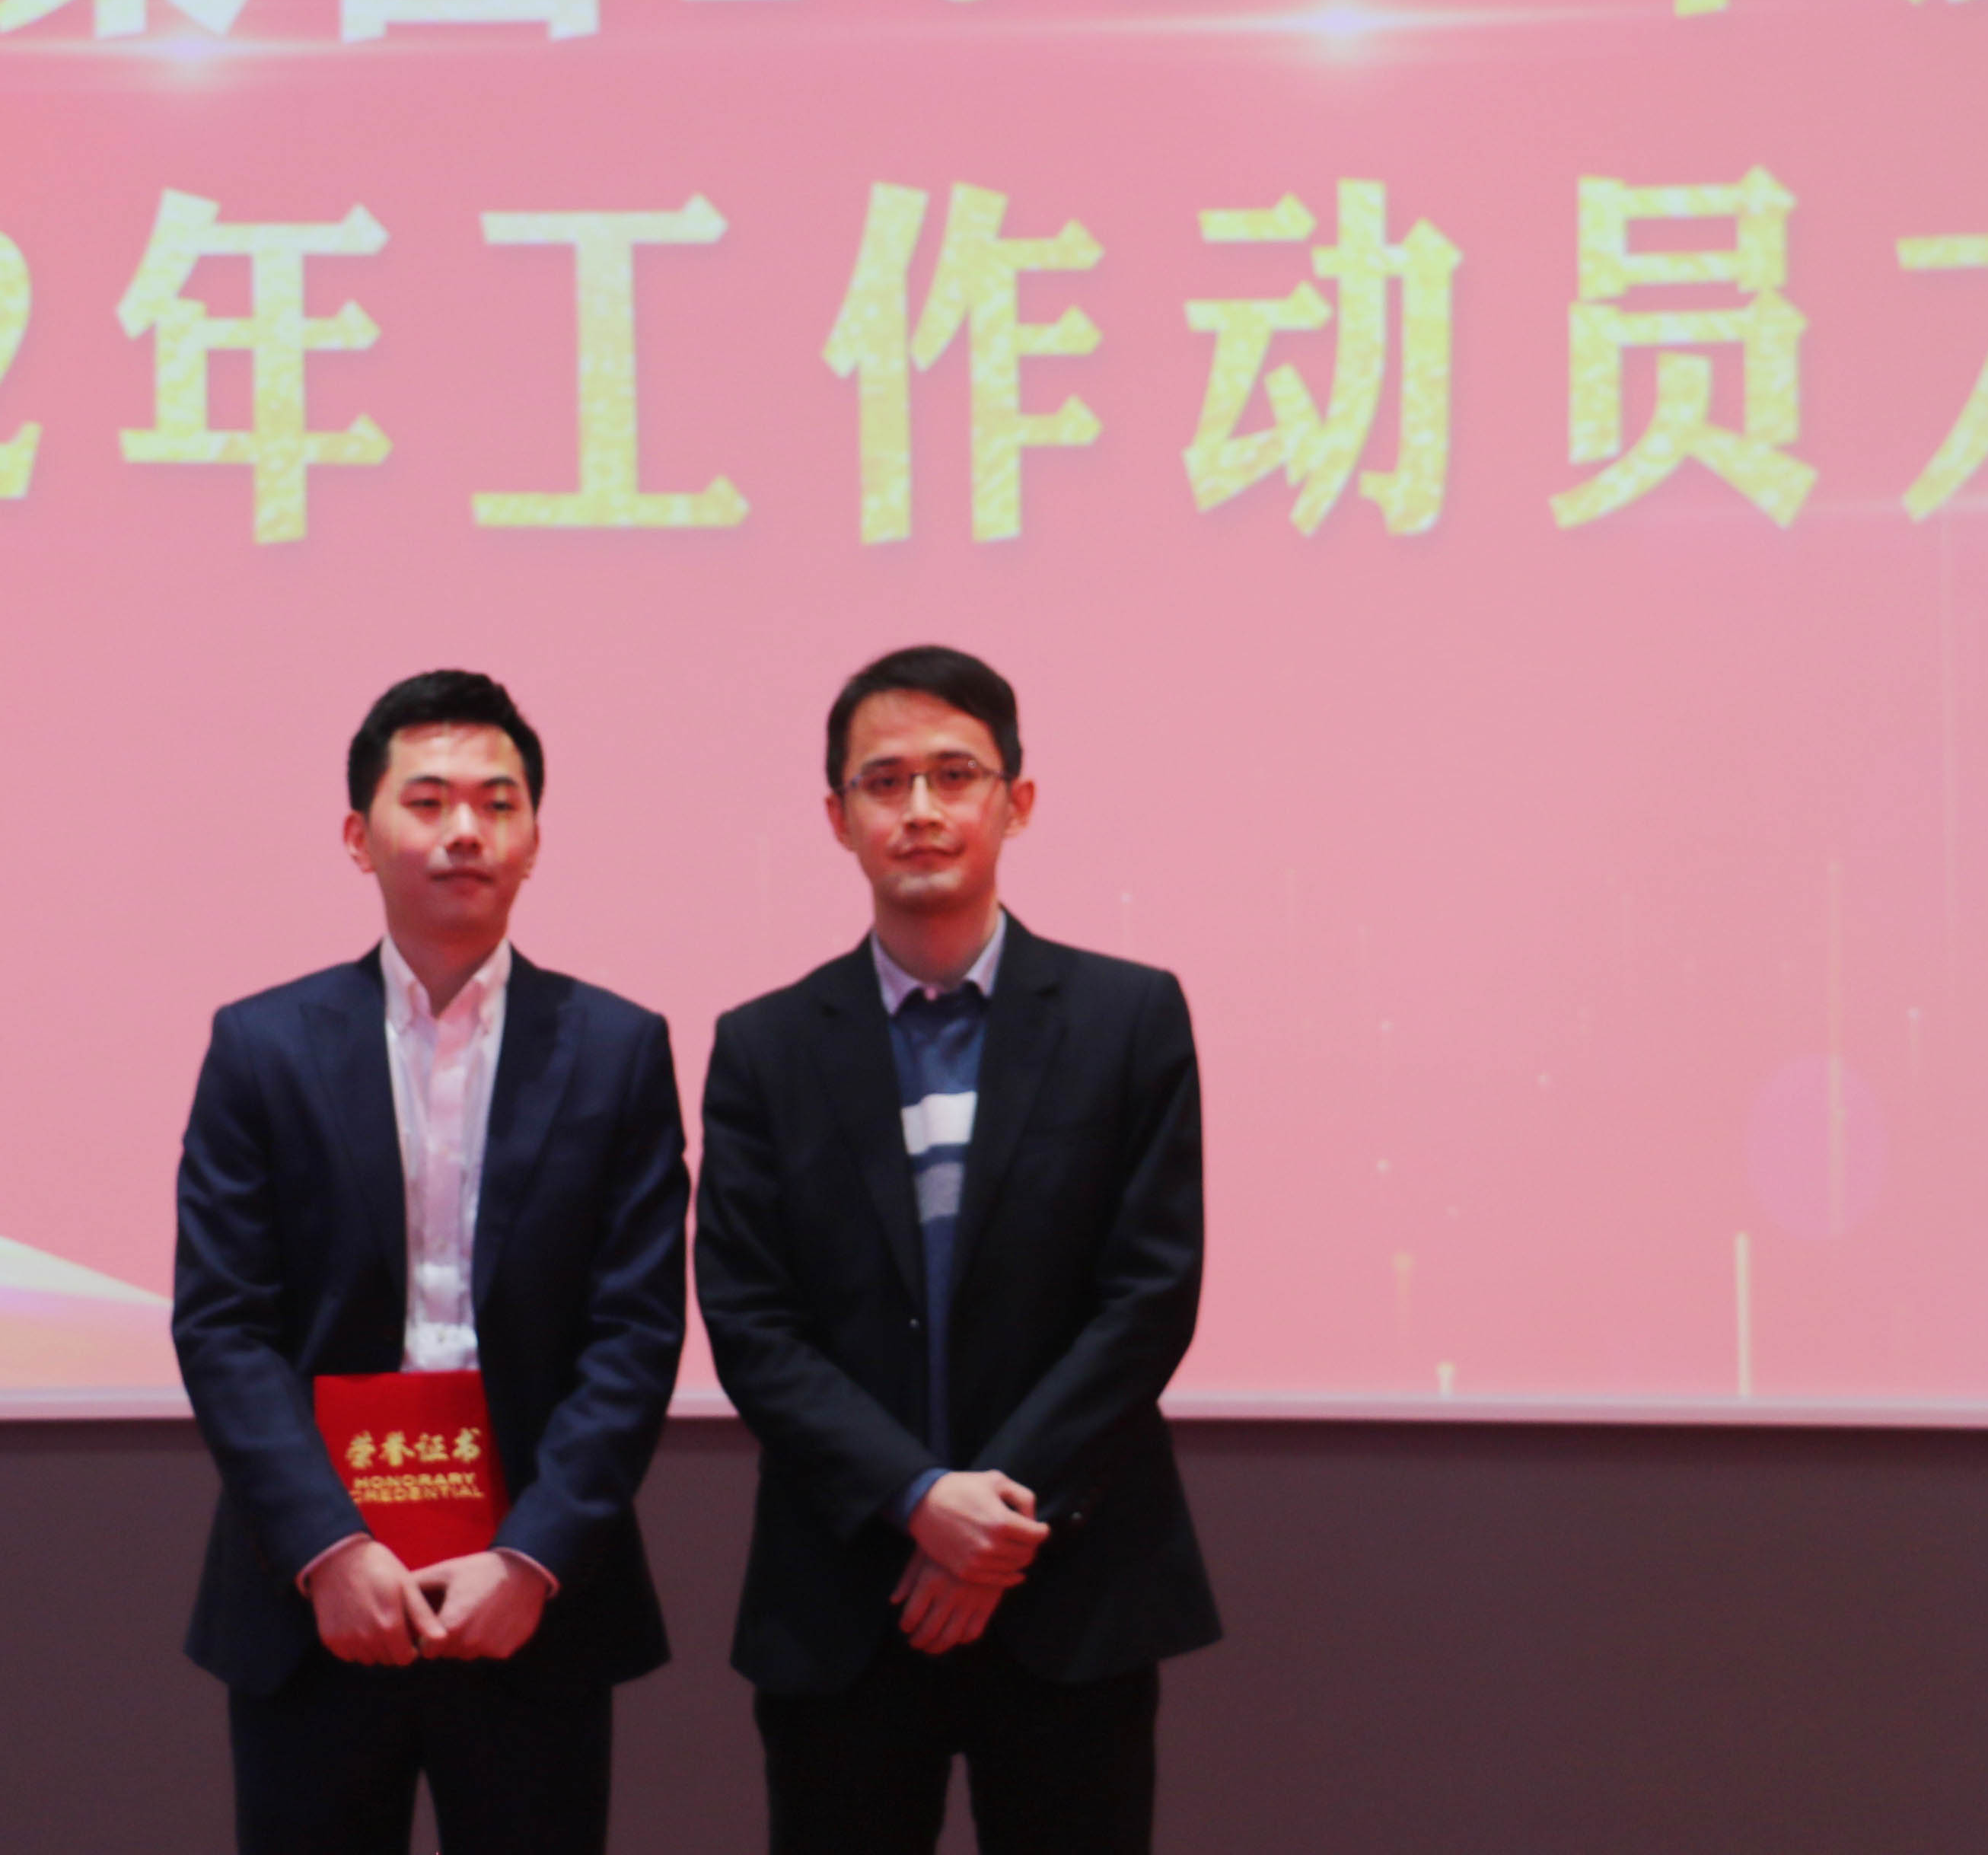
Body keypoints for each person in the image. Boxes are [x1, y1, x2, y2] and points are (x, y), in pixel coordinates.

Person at [694, 645, 1216, 1855]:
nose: (920, 808)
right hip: (848, 1597)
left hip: (1071, 1587)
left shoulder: (1128, 1018)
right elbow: (751, 1322)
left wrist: (993, 1526)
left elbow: (1148, 1296)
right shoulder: (766, 1046)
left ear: (1015, 801)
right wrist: (919, 1500)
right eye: (884, 782)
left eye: (954, 774)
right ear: (838, 819)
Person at [171, 669, 691, 1855]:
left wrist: (534, 1557)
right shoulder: (263, 1047)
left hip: (531, 1599)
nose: (467, 829)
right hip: (315, 1597)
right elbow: (223, 1325)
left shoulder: (616, 1049)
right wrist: (327, 1549)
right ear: (359, 837)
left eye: (499, 803)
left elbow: (635, 1333)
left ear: (535, 837)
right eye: (430, 800)